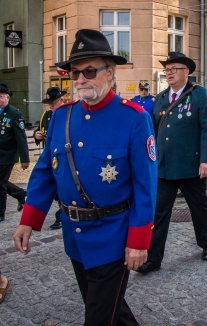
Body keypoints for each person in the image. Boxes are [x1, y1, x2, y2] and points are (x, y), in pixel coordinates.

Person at [13, 29, 157, 326]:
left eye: (89, 71)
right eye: (74, 73)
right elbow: (45, 172)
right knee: (108, 309)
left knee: (97, 317)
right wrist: (29, 219)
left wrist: (139, 241)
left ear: (110, 73)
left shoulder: (133, 118)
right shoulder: (63, 116)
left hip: (113, 235)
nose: (80, 80)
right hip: (75, 236)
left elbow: (146, 186)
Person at [136, 51, 207, 274]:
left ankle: (206, 244)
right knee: (159, 213)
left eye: (174, 69)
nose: (169, 73)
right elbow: (152, 131)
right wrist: (149, 160)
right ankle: (153, 258)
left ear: (187, 72)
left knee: (199, 208)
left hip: (191, 166)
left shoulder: (200, 95)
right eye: (167, 70)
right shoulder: (161, 98)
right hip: (164, 166)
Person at [34, 86, 67, 229]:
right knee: (53, 188)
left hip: (66, 159)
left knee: (63, 188)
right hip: (50, 158)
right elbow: (40, 129)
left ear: (61, 100)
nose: (51, 106)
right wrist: (37, 135)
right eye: (50, 104)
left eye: (54, 103)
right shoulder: (47, 115)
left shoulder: (68, 114)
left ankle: (61, 216)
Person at [0, 83, 30, 222]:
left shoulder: (14, 114)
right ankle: (19, 194)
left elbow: (21, 137)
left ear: (7, 98)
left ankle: (1, 213)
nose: (0, 100)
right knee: (2, 182)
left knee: (0, 184)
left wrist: (25, 158)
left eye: (1, 97)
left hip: (7, 155)